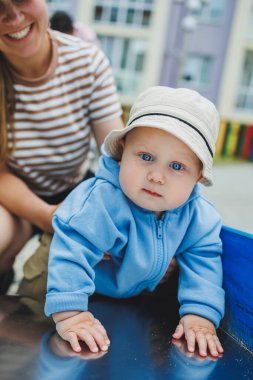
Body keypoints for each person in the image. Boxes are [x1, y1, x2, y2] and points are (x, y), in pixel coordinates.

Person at [45, 86, 225, 358]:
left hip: (128, 298)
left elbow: (204, 264)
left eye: (177, 166)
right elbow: (71, 251)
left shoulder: (199, 218)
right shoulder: (102, 201)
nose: (156, 176)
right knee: (39, 328)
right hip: (59, 278)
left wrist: (200, 315)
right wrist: (71, 316)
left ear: (198, 177)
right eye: (146, 157)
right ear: (122, 154)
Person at [0, 0, 124, 294]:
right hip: (12, 195)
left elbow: (117, 156)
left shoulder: (87, 61)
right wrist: (46, 217)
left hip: (74, 189)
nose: (13, 16)